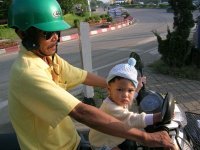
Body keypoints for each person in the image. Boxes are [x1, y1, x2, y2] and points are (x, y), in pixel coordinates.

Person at [7, 0, 176, 150]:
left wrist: (117, 87)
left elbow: (82, 76)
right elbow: (82, 113)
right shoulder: (28, 72)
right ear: (23, 33)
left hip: (71, 141)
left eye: (57, 31)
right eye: (47, 33)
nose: (55, 38)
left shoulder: (48, 58)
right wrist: (146, 138)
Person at [89, 58, 162, 150]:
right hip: (102, 143)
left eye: (130, 90)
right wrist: (158, 117)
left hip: (113, 135)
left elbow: (129, 100)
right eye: (120, 90)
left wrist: (138, 87)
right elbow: (131, 119)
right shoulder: (110, 107)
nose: (125, 95)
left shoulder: (117, 100)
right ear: (109, 90)